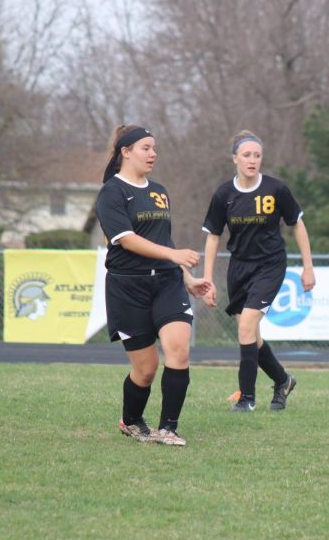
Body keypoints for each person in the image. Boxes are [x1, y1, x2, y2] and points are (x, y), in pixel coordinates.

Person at [96, 124, 211, 446]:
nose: (153, 153)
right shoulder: (111, 192)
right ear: (126, 151)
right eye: (146, 147)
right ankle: (131, 420)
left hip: (166, 283)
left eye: (154, 148)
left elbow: (162, 240)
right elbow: (127, 240)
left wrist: (186, 276)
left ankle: (168, 428)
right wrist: (175, 254)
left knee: (178, 349)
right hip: (127, 289)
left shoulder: (159, 190)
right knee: (146, 369)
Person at [201, 130, 315, 412]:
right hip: (239, 267)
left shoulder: (276, 189)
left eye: (257, 155)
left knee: (247, 325)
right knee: (249, 332)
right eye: (247, 155)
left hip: (270, 265)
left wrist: (308, 267)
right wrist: (207, 278)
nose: (252, 160)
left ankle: (247, 399)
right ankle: (283, 380)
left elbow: (297, 224)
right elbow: (213, 236)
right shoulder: (224, 194)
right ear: (235, 159)